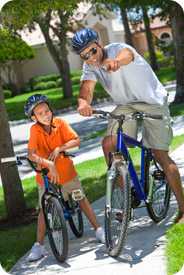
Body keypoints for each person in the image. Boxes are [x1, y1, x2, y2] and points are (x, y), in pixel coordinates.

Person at [72, 28, 184, 223]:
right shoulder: (90, 66)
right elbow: (86, 89)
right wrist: (83, 103)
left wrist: (116, 62)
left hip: (153, 102)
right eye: (84, 55)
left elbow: (128, 55)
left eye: (92, 51)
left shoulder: (118, 49)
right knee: (109, 144)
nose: (90, 57)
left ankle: (183, 209)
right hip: (126, 105)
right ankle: (123, 198)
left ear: (99, 44)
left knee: (160, 153)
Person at [24, 94, 105, 262]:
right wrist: (47, 163)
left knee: (80, 198)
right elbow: (31, 154)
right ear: (34, 117)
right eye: (40, 113)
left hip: (67, 173)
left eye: (47, 111)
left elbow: (76, 140)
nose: (46, 115)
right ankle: (38, 245)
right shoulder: (35, 130)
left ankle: (98, 229)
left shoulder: (60, 123)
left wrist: (60, 148)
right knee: (43, 209)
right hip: (45, 176)